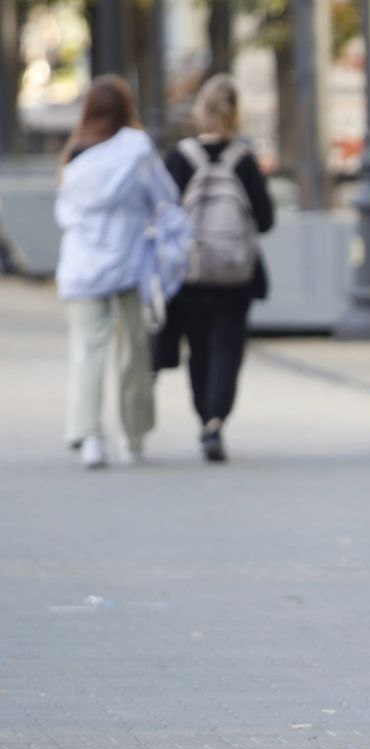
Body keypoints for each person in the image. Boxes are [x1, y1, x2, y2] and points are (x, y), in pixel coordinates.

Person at [54, 75, 177, 468]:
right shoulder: (137, 150)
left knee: (86, 351)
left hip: (81, 267)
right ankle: (135, 437)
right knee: (133, 353)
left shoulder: (75, 155)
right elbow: (166, 196)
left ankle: (88, 435)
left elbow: (64, 213)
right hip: (126, 264)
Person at [156, 73, 275, 462]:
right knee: (227, 348)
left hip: (190, 274)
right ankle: (216, 422)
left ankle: (203, 417)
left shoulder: (180, 157)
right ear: (236, 113)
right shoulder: (243, 160)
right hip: (235, 275)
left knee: (199, 350)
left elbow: (165, 213)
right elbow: (266, 218)